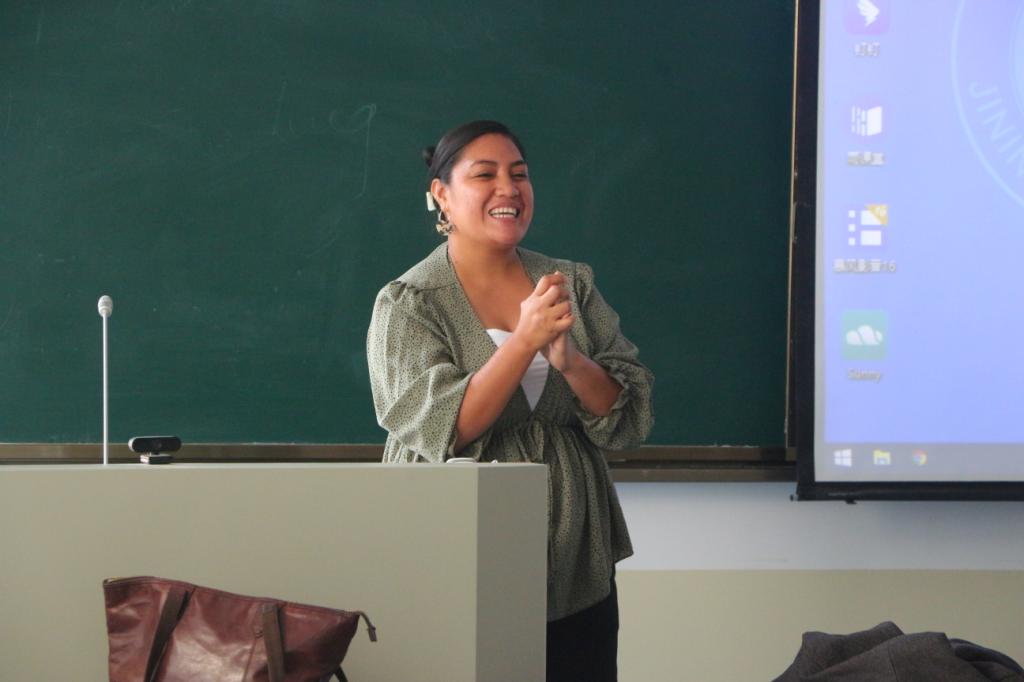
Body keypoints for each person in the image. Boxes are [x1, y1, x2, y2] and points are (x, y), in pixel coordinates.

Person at [366, 120, 654, 682]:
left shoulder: (570, 283)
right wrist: (523, 342)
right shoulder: (408, 302)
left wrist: (570, 360)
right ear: (441, 194)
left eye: (519, 174)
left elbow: (628, 416)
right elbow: (445, 429)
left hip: (573, 557)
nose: (509, 188)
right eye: (485, 175)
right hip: (451, 553)